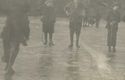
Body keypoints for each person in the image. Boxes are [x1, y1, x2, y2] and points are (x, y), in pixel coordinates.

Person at [1, 0, 30, 75]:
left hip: (7, 32)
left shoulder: (12, 9)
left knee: (8, 49)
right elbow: (25, 24)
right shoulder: (23, 13)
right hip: (16, 33)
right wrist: (25, 36)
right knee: (15, 49)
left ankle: (8, 64)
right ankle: (9, 66)